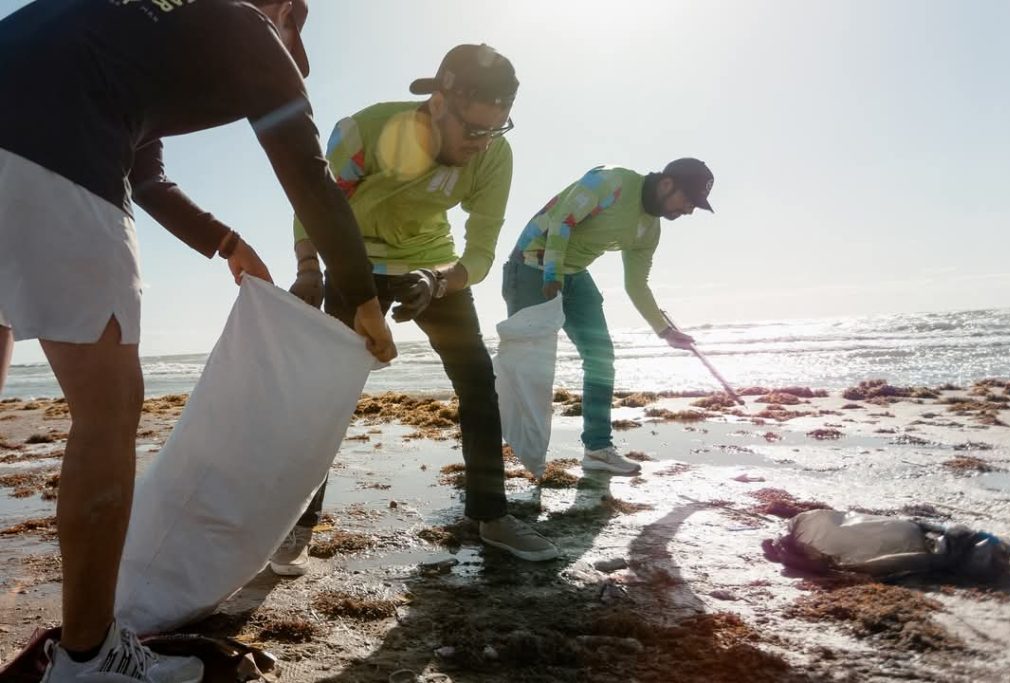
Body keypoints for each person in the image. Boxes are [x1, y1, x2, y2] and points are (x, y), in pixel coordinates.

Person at [0, 1, 395, 682]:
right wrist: (361, 296)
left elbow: (145, 173)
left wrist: (226, 243)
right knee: (107, 412)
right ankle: (89, 657)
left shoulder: (133, 25)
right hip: (61, 148)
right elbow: (308, 170)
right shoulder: (244, 23)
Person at [276, 44, 559, 572]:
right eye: (472, 128)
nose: (481, 143)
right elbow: (313, 203)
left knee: (478, 382)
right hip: (354, 261)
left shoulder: (493, 154)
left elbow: (480, 248)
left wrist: (441, 278)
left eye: (495, 129)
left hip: (431, 267)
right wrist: (309, 270)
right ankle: (299, 522)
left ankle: (491, 515)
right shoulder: (363, 134)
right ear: (437, 101)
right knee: (328, 394)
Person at [502, 159, 715, 475]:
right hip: (532, 265)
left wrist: (665, 331)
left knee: (601, 357)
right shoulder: (611, 182)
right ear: (668, 183)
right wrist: (552, 273)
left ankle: (598, 449)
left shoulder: (649, 231)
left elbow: (636, 284)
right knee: (528, 366)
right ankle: (498, 445)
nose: (688, 211)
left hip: (574, 274)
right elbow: (563, 219)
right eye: (689, 200)